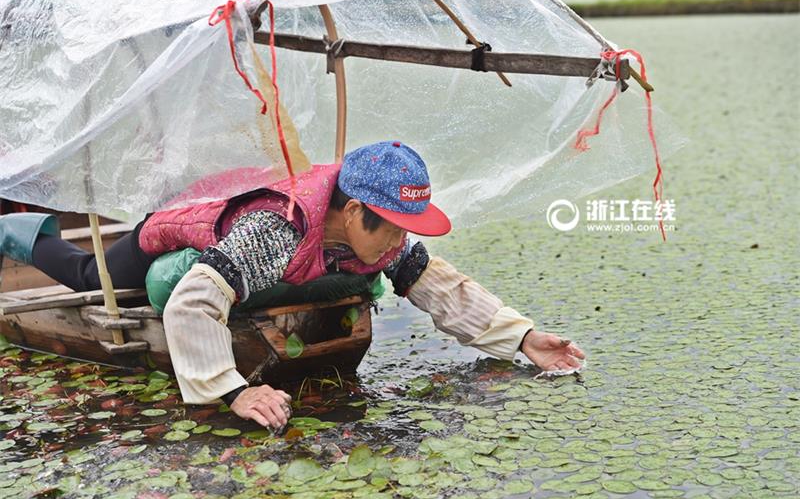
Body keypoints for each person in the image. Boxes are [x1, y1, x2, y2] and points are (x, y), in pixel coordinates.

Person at [0, 141, 585, 429]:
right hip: (184, 227)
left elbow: (437, 283)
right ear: (354, 212)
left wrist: (523, 337)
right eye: (392, 230)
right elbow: (191, 303)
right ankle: (20, 232)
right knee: (89, 275)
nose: (396, 244)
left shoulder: (381, 239)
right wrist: (232, 391)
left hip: (249, 234)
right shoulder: (275, 235)